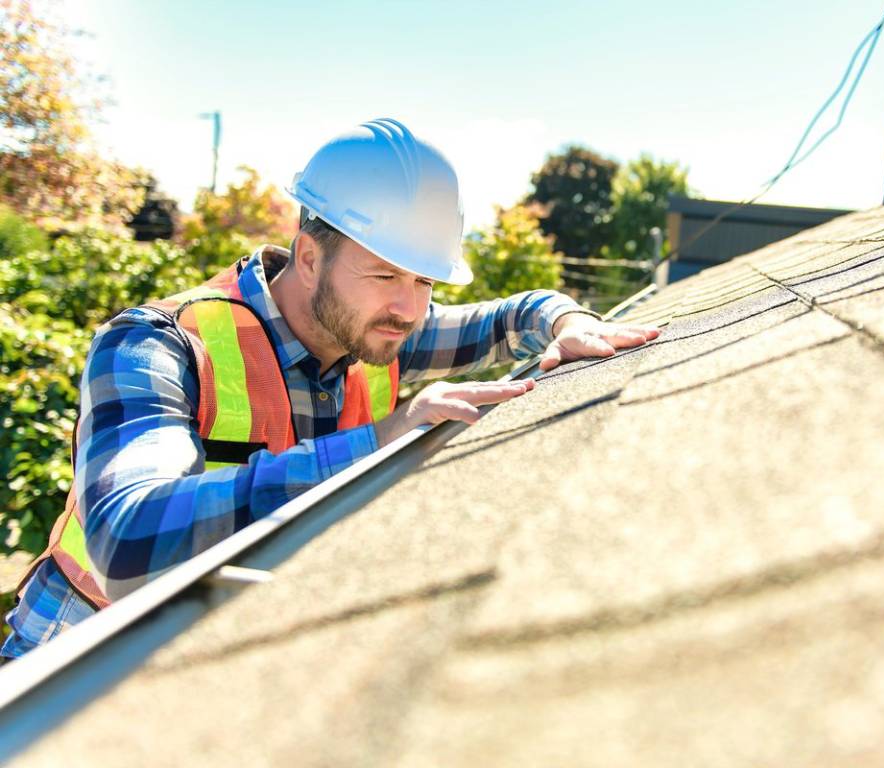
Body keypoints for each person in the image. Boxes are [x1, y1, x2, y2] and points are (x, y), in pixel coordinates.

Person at [1, 118, 659, 661]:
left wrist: (569, 322)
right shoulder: (157, 344)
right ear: (309, 256)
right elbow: (126, 541)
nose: (409, 308)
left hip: (202, 657)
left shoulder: (379, 332)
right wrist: (380, 444)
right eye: (386, 276)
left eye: (426, 282)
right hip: (70, 660)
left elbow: (515, 314)